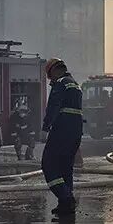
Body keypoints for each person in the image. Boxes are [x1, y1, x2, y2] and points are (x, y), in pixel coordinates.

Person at [42, 58, 83, 215]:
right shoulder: (74, 84)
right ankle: (66, 204)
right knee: (66, 167)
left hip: (62, 131)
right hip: (75, 132)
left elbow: (53, 106)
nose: (50, 80)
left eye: (50, 76)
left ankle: (65, 197)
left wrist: (45, 128)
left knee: (49, 165)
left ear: (54, 70)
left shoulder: (60, 83)